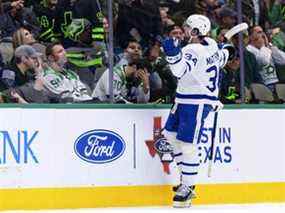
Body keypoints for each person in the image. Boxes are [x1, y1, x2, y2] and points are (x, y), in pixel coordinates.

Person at [161, 14, 232, 208]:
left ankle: (188, 186)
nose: (183, 29)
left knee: (188, 144)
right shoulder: (211, 45)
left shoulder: (192, 48)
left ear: (194, 31)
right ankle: (186, 178)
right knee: (169, 134)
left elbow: (178, 71)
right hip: (185, 98)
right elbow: (225, 55)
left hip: (196, 101)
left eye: (187, 27)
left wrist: (173, 56)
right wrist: (226, 49)